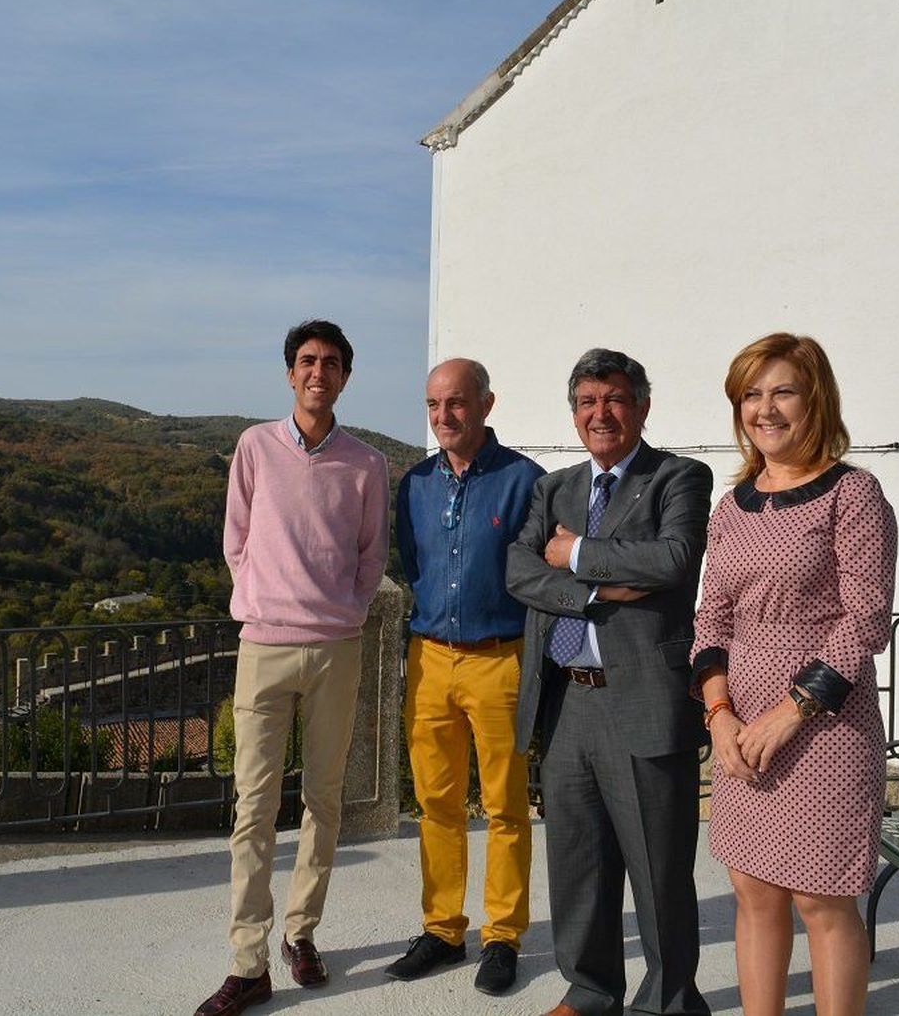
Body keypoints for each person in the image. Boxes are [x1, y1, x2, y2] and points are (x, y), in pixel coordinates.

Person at [690, 333, 897, 1016]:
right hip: (739, 719)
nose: (765, 408)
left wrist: (788, 712)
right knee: (752, 888)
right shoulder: (734, 503)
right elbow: (711, 616)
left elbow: (864, 620)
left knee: (822, 896)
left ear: (816, 399)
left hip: (824, 724)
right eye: (751, 393)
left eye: (782, 390)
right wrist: (719, 714)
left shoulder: (853, 494)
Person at [507, 348, 713, 1016]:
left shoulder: (678, 477)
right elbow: (517, 569)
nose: (602, 413)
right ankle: (592, 989)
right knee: (578, 864)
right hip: (568, 699)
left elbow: (674, 559)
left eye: (615, 399)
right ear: (574, 414)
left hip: (643, 702)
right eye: (588, 402)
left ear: (642, 407)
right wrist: (597, 589)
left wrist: (573, 555)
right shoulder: (553, 488)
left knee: (659, 871)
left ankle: (671, 999)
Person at [195, 319, 390, 1016]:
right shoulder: (254, 446)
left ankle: (301, 933)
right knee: (253, 806)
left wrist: (347, 606)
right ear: (290, 374)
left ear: (345, 375)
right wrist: (264, 597)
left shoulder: (367, 463)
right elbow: (236, 539)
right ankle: (247, 961)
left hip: (337, 645)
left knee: (324, 798)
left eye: (331, 362)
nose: (318, 371)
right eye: (307, 360)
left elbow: (372, 556)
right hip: (265, 645)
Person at [386, 358, 545, 995]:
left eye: (456, 403)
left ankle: (502, 936)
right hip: (428, 659)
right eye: (433, 405)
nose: (443, 416)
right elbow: (412, 562)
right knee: (436, 804)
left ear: (486, 404)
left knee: (506, 805)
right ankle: (443, 928)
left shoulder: (525, 481)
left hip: (499, 660)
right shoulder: (415, 484)